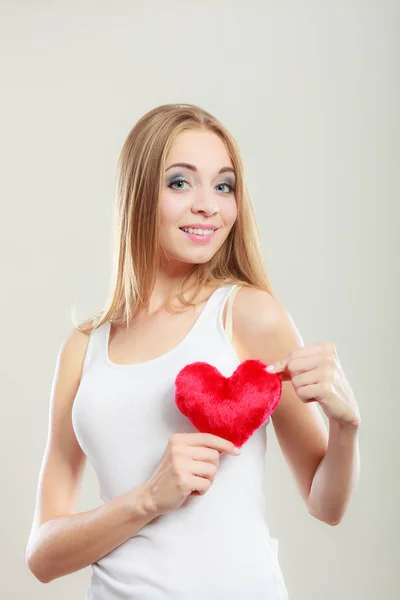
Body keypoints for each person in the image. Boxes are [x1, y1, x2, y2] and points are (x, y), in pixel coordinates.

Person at [26, 103, 361, 599]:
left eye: (223, 186)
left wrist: (346, 426)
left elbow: (324, 504)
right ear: (140, 194)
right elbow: (42, 556)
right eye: (181, 183)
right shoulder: (84, 349)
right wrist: (146, 500)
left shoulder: (249, 314)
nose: (209, 205)